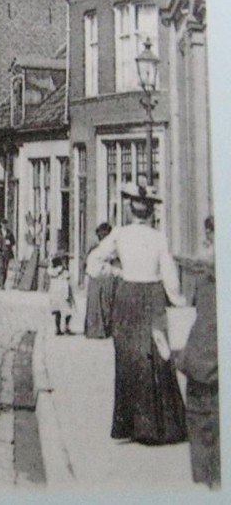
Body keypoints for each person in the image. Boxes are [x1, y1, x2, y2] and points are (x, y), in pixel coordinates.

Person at [87, 182, 187, 445]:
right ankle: (161, 426)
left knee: (129, 356)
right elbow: (170, 277)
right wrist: (177, 300)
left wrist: (117, 273)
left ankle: (130, 425)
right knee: (157, 354)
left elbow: (93, 263)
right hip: (153, 295)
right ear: (151, 212)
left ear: (130, 210)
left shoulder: (119, 235)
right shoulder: (158, 237)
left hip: (127, 296)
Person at [168, 216, 219, 489]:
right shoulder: (207, 277)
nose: (203, 243)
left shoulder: (211, 282)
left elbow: (206, 344)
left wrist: (186, 359)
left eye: (209, 237)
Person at [84, 223, 121, 339]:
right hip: (103, 276)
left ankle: (95, 329)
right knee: (105, 304)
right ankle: (103, 329)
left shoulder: (97, 248)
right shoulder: (107, 248)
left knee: (96, 304)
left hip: (95, 277)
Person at [47, 253, 74, 336]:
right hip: (64, 293)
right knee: (68, 311)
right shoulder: (64, 271)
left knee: (57, 312)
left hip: (55, 294)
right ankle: (66, 327)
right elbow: (68, 277)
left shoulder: (51, 271)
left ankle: (57, 329)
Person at [0, 218, 15, 290]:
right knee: (0, 267)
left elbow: (13, 242)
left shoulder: (9, 233)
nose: (4, 225)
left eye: (6, 224)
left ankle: (3, 282)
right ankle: (0, 282)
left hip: (7, 252)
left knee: (5, 268)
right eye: (3, 224)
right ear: (1, 224)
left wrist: (9, 243)